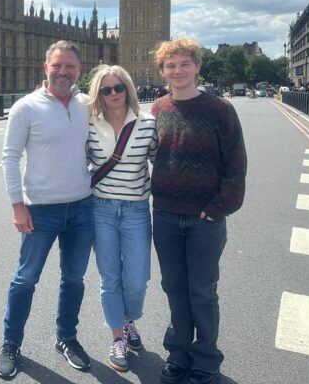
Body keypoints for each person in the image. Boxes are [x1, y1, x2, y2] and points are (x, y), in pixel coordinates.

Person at [0, 40, 93, 379]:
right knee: (25, 280)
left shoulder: (86, 105)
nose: (63, 71)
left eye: (70, 66)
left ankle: (66, 338)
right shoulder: (25, 107)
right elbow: (9, 157)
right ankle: (11, 343)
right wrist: (17, 205)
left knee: (74, 279)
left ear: (79, 70)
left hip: (82, 207)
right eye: (57, 65)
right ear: (45, 68)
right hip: (40, 210)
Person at [151, 38, 247, 384]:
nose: (178, 71)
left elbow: (236, 165)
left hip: (204, 218)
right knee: (174, 287)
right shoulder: (158, 109)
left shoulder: (220, 110)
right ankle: (178, 352)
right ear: (163, 71)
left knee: (202, 291)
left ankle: (206, 357)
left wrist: (220, 207)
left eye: (184, 64)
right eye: (171, 65)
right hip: (164, 215)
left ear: (197, 67)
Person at [87, 65, 157, 373]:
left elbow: (166, 163)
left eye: (119, 88)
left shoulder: (148, 124)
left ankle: (129, 319)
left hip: (136, 210)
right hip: (100, 208)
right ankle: (118, 334)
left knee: (137, 278)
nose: (113, 93)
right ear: (98, 94)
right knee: (110, 277)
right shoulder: (89, 124)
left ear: (128, 89)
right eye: (106, 89)